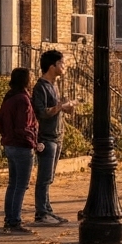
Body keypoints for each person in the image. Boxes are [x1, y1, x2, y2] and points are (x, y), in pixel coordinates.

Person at [31, 49, 76, 225]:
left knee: (49, 177)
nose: (64, 66)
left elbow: (56, 109)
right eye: (62, 63)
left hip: (57, 135)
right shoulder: (41, 87)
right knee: (44, 177)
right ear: (52, 66)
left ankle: (47, 209)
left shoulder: (55, 85)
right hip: (46, 137)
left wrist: (66, 107)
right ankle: (41, 213)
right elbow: (41, 112)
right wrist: (60, 106)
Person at [0, 67, 41, 234]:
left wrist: (6, 136)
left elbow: (1, 119)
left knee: (13, 184)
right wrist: (34, 142)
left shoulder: (10, 97)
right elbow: (24, 126)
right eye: (31, 77)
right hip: (21, 146)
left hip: (10, 144)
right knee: (21, 185)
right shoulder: (22, 99)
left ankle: (10, 219)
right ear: (25, 80)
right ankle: (14, 221)